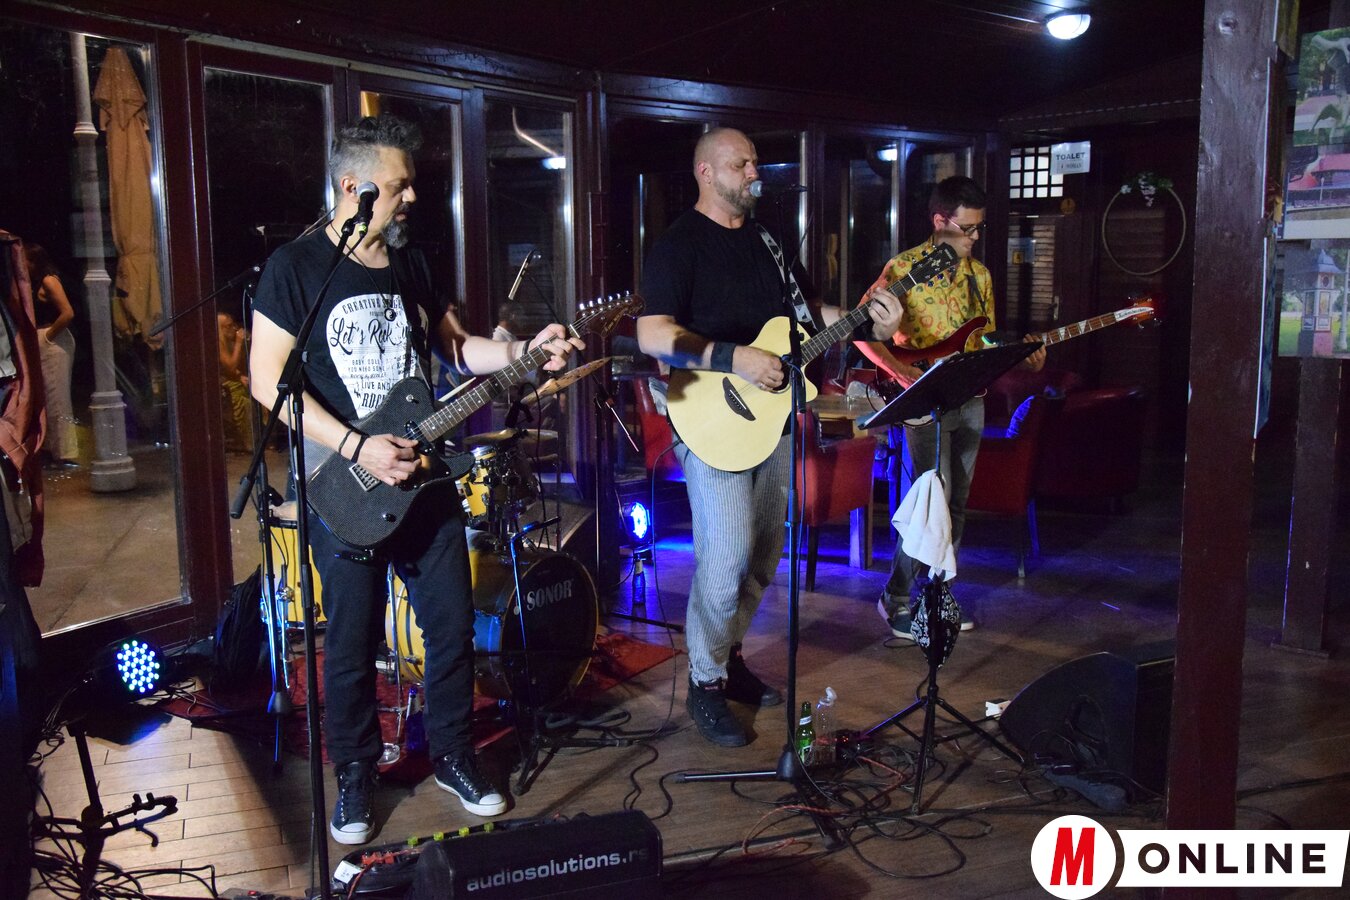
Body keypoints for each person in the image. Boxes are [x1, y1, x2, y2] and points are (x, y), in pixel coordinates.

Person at [249, 115, 581, 845]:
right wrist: (356, 446)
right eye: (399, 186)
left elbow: (457, 350)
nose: (411, 199)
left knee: (451, 626)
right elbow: (267, 380)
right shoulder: (295, 268)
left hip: (426, 477)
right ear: (353, 186)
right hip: (344, 486)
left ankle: (454, 755)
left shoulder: (411, 264)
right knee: (351, 640)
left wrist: (525, 351)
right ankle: (356, 773)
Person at [637, 127, 900, 747]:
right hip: (710, 420)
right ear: (706, 172)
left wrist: (869, 320)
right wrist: (735, 358)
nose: (755, 172)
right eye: (742, 164)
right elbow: (653, 334)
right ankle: (704, 682)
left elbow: (809, 318)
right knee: (725, 559)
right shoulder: (678, 245)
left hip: (773, 418)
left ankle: (727, 659)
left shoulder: (768, 244)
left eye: (755, 162)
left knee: (761, 555)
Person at [857, 176, 1045, 640]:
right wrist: (902, 372)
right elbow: (861, 331)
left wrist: (1022, 355)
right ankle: (896, 597)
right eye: (968, 228)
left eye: (979, 228)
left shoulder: (979, 276)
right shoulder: (903, 268)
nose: (975, 237)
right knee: (929, 503)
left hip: (971, 400)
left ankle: (938, 595)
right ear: (940, 221)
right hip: (926, 404)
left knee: (956, 504)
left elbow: (984, 340)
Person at [22, 243, 78, 470]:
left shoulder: (48, 280)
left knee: (57, 398)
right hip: (45, 340)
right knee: (46, 397)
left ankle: (64, 452)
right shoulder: (34, 282)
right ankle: (51, 449)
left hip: (53, 341)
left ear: (33, 261)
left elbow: (68, 312)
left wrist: (48, 336)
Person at [217, 311, 252, 452]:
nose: (234, 329)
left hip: (233, 379)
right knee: (243, 401)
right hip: (222, 383)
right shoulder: (218, 342)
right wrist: (238, 342)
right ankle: (245, 441)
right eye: (229, 326)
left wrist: (239, 376)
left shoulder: (228, 341)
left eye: (233, 325)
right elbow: (230, 366)